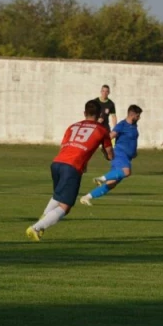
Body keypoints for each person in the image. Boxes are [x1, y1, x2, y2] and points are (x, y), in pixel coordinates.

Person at [26, 100, 114, 242]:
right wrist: (109, 155)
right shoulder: (101, 130)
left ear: (84, 113)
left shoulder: (72, 126)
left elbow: (65, 147)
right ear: (99, 115)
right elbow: (109, 154)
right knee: (65, 206)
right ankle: (36, 227)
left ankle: (43, 220)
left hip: (57, 162)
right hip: (72, 166)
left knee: (58, 196)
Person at [80, 104, 142, 206]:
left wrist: (134, 152)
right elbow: (110, 136)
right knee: (126, 172)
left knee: (112, 184)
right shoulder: (122, 125)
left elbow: (132, 140)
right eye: (138, 116)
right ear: (132, 115)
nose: (139, 118)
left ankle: (87, 197)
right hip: (119, 154)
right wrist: (105, 148)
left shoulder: (134, 125)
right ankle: (101, 178)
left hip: (127, 157)